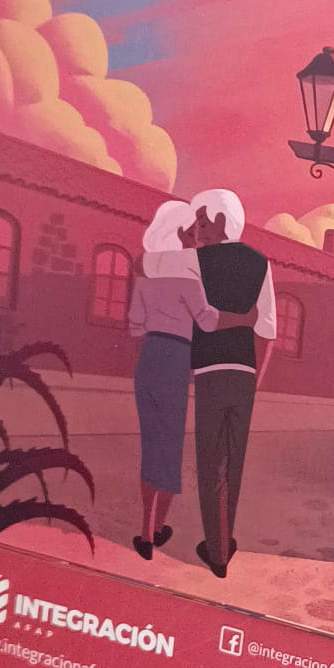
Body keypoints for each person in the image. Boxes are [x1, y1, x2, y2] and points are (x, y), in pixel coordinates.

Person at [185, 189, 276, 578]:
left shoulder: (194, 263)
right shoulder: (260, 263)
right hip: (244, 373)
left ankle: (217, 549)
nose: (197, 229)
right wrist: (258, 378)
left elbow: (189, 319)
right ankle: (224, 544)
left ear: (222, 221)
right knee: (233, 459)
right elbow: (267, 328)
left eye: (203, 221)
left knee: (211, 460)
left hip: (208, 370)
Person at [127, 200, 218, 561]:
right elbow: (206, 321)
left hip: (149, 356)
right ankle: (154, 531)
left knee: (152, 444)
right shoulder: (189, 274)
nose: (198, 239)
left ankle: (146, 531)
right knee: (169, 446)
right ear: (180, 233)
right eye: (194, 232)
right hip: (176, 358)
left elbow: (135, 325)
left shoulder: (146, 273)